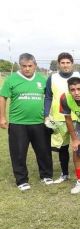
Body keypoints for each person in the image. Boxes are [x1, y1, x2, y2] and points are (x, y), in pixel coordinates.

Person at [0, 53, 53, 191]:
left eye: (30, 66)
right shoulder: (11, 79)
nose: (27, 69)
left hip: (39, 122)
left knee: (44, 150)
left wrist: (49, 116)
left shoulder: (42, 79)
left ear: (35, 65)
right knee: (18, 153)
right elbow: (3, 97)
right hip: (18, 123)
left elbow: (49, 99)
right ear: (20, 65)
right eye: (24, 66)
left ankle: (46, 176)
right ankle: (22, 180)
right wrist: (2, 117)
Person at [44, 52, 80, 184]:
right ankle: (64, 173)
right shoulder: (52, 78)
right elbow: (48, 96)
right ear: (59, 64)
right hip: (59, 117)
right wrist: (46, 115)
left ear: (72, 63)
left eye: (68, 63)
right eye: (62, 63)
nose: (65, 65)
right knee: (63, 147)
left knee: (79, 145)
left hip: (78, 117)